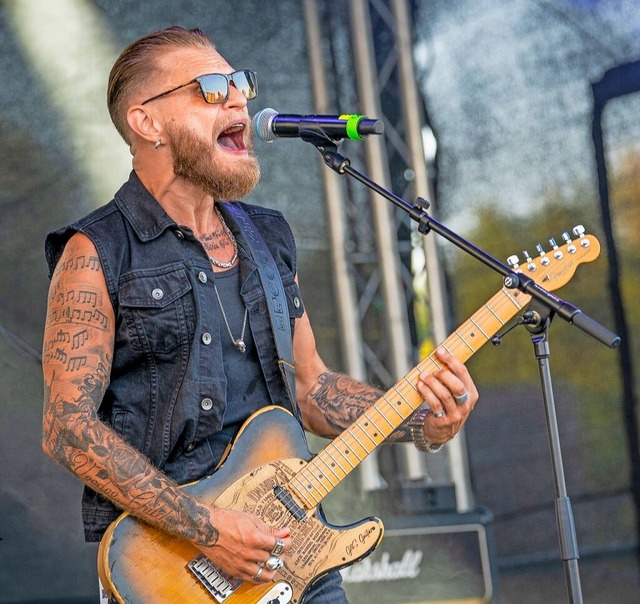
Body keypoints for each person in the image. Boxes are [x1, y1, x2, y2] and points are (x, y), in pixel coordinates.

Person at [41, 26, 478, 603]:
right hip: (170, 573)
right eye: (212, 87)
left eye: (240, 82)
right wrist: (208, 526)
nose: (238, 98)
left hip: (295, 551)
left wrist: (425, 421)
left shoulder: (266, 236)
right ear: (147, 122)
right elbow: (67, 427)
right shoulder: (96, 251)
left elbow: (310, 387)